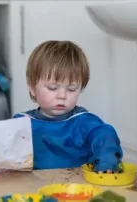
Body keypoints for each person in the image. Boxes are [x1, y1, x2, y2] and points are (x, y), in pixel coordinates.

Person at [14, 40, 123, 173]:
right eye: (52, 88)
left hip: (76, 188)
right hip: (34, 189)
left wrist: (107, 158)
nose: (62, 95)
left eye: (71, 89)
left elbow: (104, 136)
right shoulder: (21, 123)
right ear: (32, 87)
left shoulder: (83, 121)